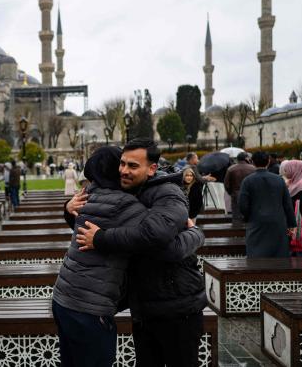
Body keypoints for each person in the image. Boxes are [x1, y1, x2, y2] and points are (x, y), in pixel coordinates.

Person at [53, 146, 205, 367]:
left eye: (131, 165)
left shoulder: (91, 195)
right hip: (95, 305)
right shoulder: (125, 204)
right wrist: (197, 233)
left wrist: (71, 212)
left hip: (67, 298)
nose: (125, 170)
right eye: (122, 164)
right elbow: (167, 247)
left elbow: (153, 240)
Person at [238, 151, 296, 258]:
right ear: (268, 161)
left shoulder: (247, 181)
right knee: (278, 257)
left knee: (256, 257)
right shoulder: (279, 180)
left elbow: (243, 205)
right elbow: (287, 204)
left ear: (252, 162)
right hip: (278, 222)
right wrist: (292, 224)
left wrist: (247, 217)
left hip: (256, 222)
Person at [224, 152, 256, 225]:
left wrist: (231, 192)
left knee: (236, 214)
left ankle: (236, 231)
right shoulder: (253, 168)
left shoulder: (231, 169)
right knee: (250, 213)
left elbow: (226, 184)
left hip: (236, 193)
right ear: (246, 158)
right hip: (250, 194)